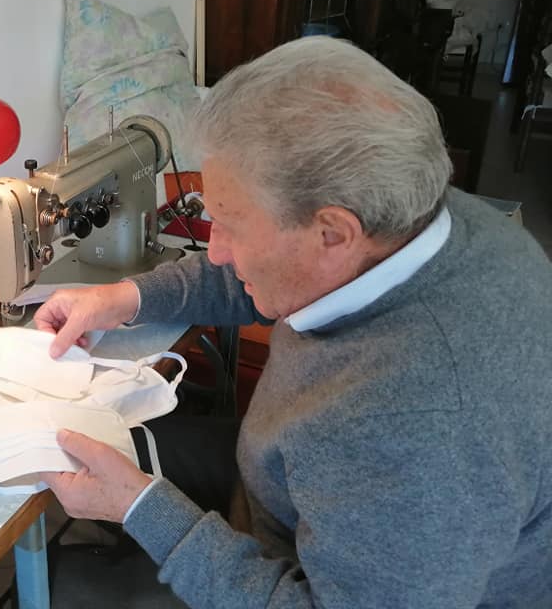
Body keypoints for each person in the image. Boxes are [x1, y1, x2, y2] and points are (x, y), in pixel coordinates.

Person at [34, 36, 552, 608]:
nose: (217, 250)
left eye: (230, 225)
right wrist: (125, 298)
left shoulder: (419, 429)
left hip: (314, 573)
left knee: (62, 585)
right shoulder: (429, 218)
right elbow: (270, 275)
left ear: (332, 232)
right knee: (80, 446)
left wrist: (143, 509)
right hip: (288, 488)